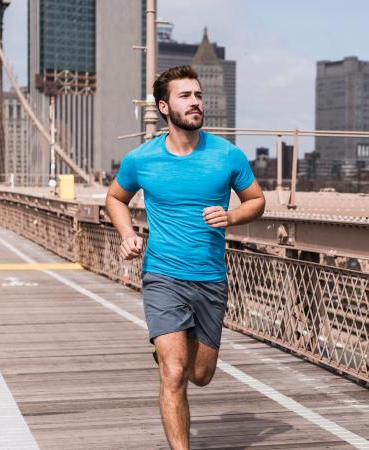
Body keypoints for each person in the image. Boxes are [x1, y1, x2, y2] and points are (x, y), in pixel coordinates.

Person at [105, 65, 265, 450]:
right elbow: (115, 198)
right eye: (185, 96)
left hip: (210, 278)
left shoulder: (227, 155)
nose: (195, 102)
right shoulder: (141, 160)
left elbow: (257, 201)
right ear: (164, 107)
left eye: (198, 95)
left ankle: (172, 346)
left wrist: (232, 215)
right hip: (163, 275)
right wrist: (127, 234)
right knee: (173, 373)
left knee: (200, 374)